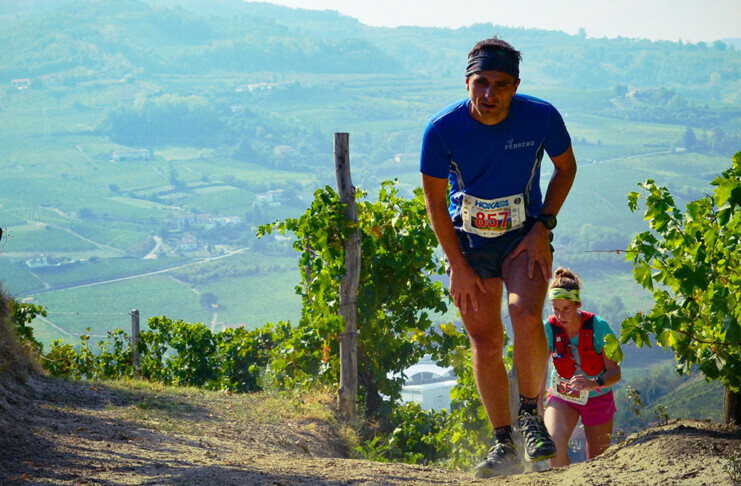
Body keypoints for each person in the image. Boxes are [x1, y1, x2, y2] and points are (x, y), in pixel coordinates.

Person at [419, 36, 577, 478]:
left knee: (525, 313)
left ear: (516, 86)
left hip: (523, 238)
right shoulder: (441, 129)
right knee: (486, 342)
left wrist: (543, 227)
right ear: (467, 82)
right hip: (469, 244)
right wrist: (457, 266)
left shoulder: (541, 117)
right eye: (481, 83)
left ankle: (530, 416)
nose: (490, 94)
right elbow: (434, 202)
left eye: (501, 84)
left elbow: (566, 168)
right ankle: (502, 442)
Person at [543, 268, 622, 467]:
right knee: (553, 445)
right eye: (555, 309)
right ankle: (563, 480)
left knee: (597, 462)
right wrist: (535, 401)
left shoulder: (599, 327)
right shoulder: (549, 328)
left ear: (578, 304)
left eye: (566, 309)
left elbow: (615, 372)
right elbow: (539, 368)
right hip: (562, 395)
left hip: (597, 397)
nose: (560, 315)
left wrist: (593, 383)